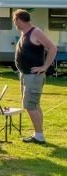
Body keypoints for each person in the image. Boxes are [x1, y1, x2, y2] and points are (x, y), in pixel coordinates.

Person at [13, 8, 57, 144]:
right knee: (34, 104)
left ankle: (39, 136)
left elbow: (53, 48)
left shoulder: (35, 32)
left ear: (19, 20)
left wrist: (44, 67)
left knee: (29, 105)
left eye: (15, 21)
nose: (15, 24)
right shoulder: (24, 33)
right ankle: (38, 134)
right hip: (25, 75)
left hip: (34, 76)